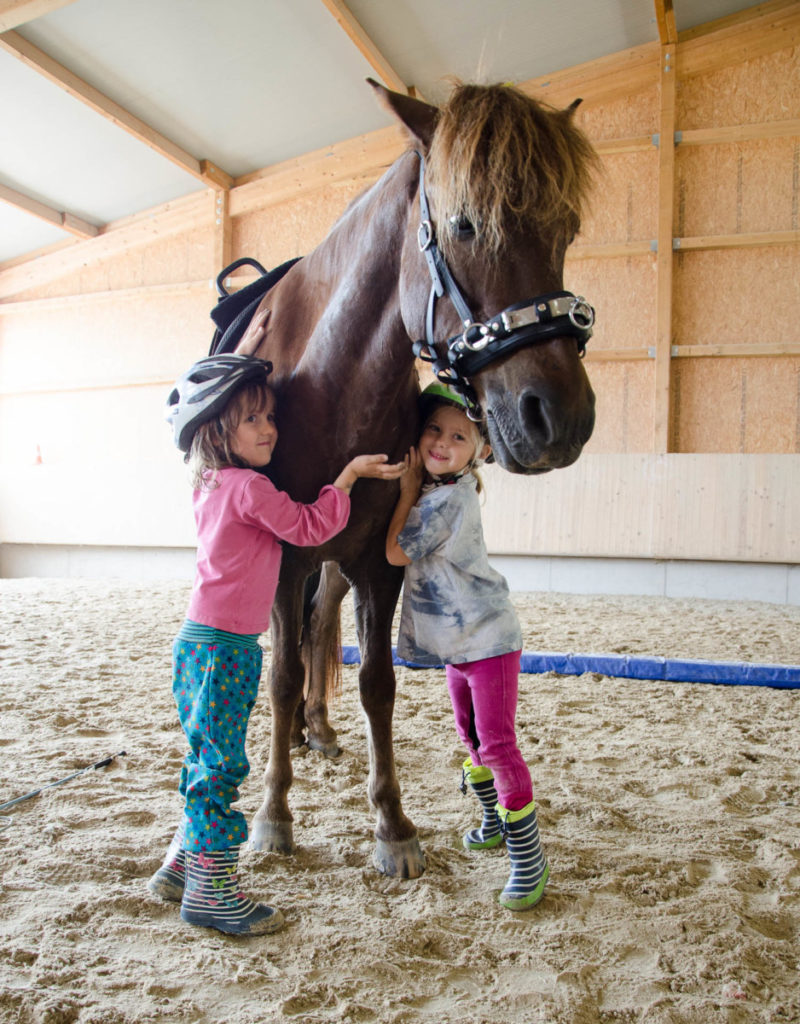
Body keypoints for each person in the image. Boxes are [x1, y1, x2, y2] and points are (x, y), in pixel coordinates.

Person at [149, 343, 404, 936]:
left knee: (203, 760)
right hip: (228, 651)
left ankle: (181, 865)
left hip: (195, 641)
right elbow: (312, 527)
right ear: (218, 429)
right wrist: (348, 476)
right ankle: (212, 891)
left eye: (270, 416)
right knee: (222, 769)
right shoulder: (250, 490)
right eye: (252, 420)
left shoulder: (208, 481)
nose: (270, 429)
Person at [385, 382, 549, 911]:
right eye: (434, 429)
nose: (441, 441)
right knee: (471, 738)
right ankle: (490, 819)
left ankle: (529, 858)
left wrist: (407, 487)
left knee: (498, 745)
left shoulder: (448, 499)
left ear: (479, 452)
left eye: (458, 436)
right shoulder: (443, 491)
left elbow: (393, 552)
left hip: (489, 639)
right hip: (461, 644)